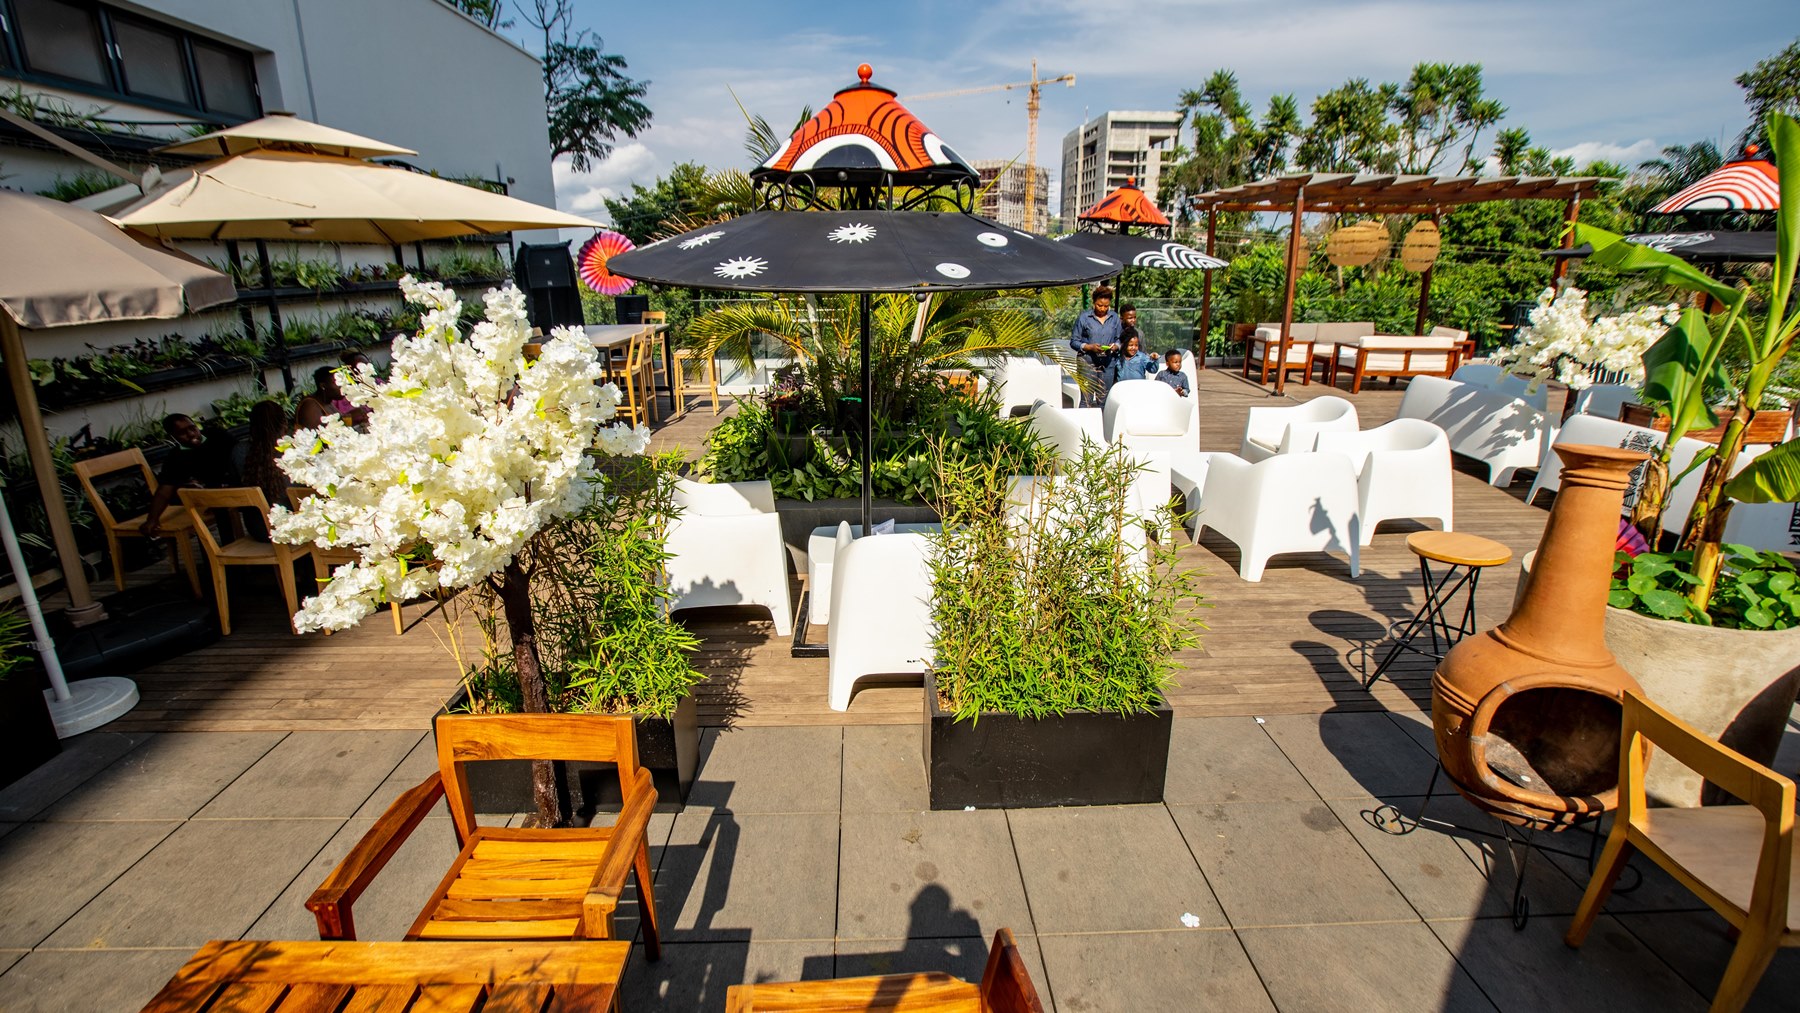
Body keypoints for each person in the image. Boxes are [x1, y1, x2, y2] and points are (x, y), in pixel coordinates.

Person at [141, 414, 239, 538]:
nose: (191, 434)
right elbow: (165, 490)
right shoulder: (176, 457)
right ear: (173, 437)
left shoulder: (218, 436)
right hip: (210, 494)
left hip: (235, 483)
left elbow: (240, 456)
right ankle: (220, 550)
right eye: (182, 432)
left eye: (193, 428)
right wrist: (152, 519)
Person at [1068, 285, 1121, 406]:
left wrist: (1115, 347)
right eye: (1099, 305)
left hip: (1107, 363)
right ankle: (1084, 424)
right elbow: (1074, 341)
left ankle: (1102, 423)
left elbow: (1120, 339)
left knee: (1104, 399)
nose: (1102, 309)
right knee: (1086, 399)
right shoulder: (1084, 318)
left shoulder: (1114, 318)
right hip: (1087, 362)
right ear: (1094, 302)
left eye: (1106, 306)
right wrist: (1089, 347)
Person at [240, 400, 292, 513]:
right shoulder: (294, 451)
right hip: (295, 525)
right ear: (284, 423)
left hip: (256, 526)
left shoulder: (239, 452)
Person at [296, 365, 370, 430]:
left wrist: (354, 419)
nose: (343, 386)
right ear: (323, 386)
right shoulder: (310, 405)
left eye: (343, 382)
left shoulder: (328, 402)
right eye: (337, 383)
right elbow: (316, 437)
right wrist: (349, 418)